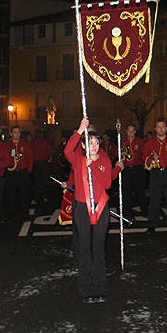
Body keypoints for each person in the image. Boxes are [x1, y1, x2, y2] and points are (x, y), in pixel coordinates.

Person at [63, 117, 123, 304]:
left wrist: (94, 166)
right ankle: (85, 289)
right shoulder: (78, 160)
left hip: (101, 208)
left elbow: (106, 182)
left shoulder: (103, 159)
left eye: (97, 142)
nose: (94, 145)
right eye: (90, 142)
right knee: (85, 248)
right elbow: (66, 150)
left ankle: (100, 288)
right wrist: (80, 129)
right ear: (83, 145)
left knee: (98, 248)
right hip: (82, 208)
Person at [144, 118, 167, 232]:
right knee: (154, 200)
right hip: (156, 173)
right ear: (155, 129)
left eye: (163, 127)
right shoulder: (150, 142)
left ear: (166, 128)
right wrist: (151, 159)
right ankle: (151, 225)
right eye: (158, 127)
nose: (160, 129)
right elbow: (144, 157)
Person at [4, 126, 33, 222]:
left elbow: (30, 159)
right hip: (11, 173)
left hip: (22, 172)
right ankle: (9, 215)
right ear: (11, 134)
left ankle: (25, 214)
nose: (17, 134)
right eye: (15, 132)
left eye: (18, 132)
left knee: (24, 194)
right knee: (10, 195)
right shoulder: (7, 146)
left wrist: (28, 171)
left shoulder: (25, 145)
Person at [120, 123, 147, 221]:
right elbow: (116, 153)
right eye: (129, 131)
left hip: (137, 168)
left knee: (140, 191)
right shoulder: (122, 141)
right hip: (126, 169)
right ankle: (127, 214)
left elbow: (144, 154)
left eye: (132, 131)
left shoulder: (139, 141)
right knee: (126, 193)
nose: (130, 133)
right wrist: (121, 153)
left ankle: (144, 211)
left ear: (135, 131)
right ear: (126, 131)